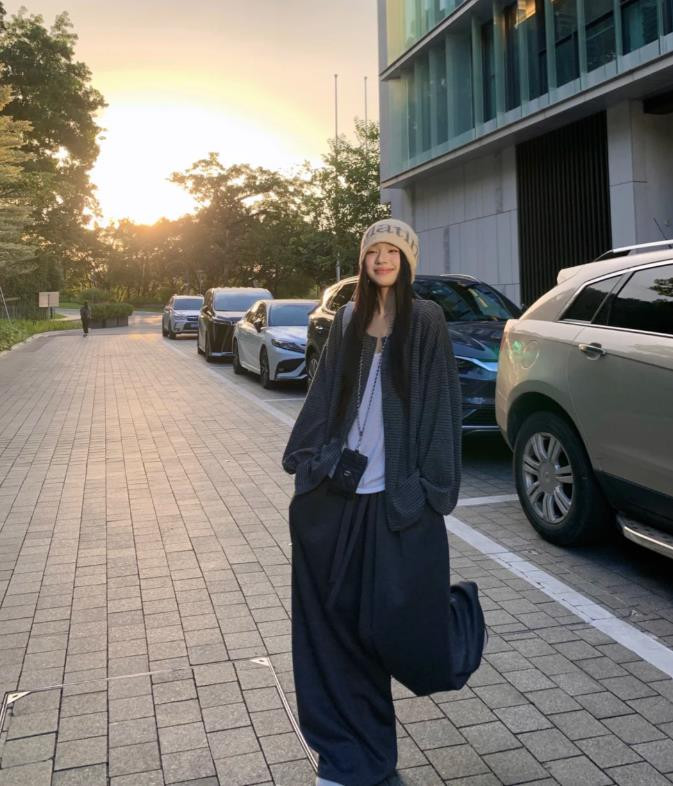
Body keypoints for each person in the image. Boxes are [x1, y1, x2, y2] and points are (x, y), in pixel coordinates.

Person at [283, 219, 465, 786]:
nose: (383, 258)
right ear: (363, 260)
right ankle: (348, 759)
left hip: (396, 500)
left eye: (393, 251)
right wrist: (309, 464)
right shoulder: (347, 319)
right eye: (374, 251)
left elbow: (442, 403)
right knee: (334, 630)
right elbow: (325, 393)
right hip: (341, 495)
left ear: (407, 261)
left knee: (383, 626)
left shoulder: (426, 319)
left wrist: (431, 489)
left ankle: (459, 631)